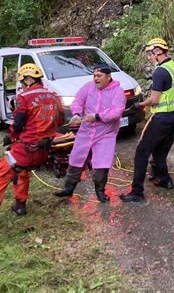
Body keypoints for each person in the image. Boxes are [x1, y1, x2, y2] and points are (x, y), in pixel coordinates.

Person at [0, 64, 64, 233]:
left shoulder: (25, 97)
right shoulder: (53, 97)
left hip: (25, 150)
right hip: (43, 151)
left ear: (29, 79)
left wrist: (11, 137)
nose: (22, 85)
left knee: (0, 175)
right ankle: (20, 205)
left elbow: (18, 124)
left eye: (23, 81)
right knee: (22, 172)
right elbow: (60, 121)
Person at [120, 38, 174, 202]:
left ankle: (137, 192)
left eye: (150, 54)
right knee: (160, 150)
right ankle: (165, 180)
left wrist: (140, 104)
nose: (149, 58)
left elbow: (155, 99)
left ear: (157, 52)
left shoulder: (160, 72)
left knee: (142, 152)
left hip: (162, 117)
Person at [54, 64, 126, 202]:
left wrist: (97, 116)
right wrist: (76, 114)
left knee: (101, 165)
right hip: (86, 131)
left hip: (106, 134)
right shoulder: (88, 87)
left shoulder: (118, 91)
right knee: (76, 160)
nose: (96, 79)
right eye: (94, 76)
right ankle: (68, 189)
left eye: (99, 76)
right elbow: (78, 101)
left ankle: (100, 193)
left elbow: (116, 112)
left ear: (109, 77)